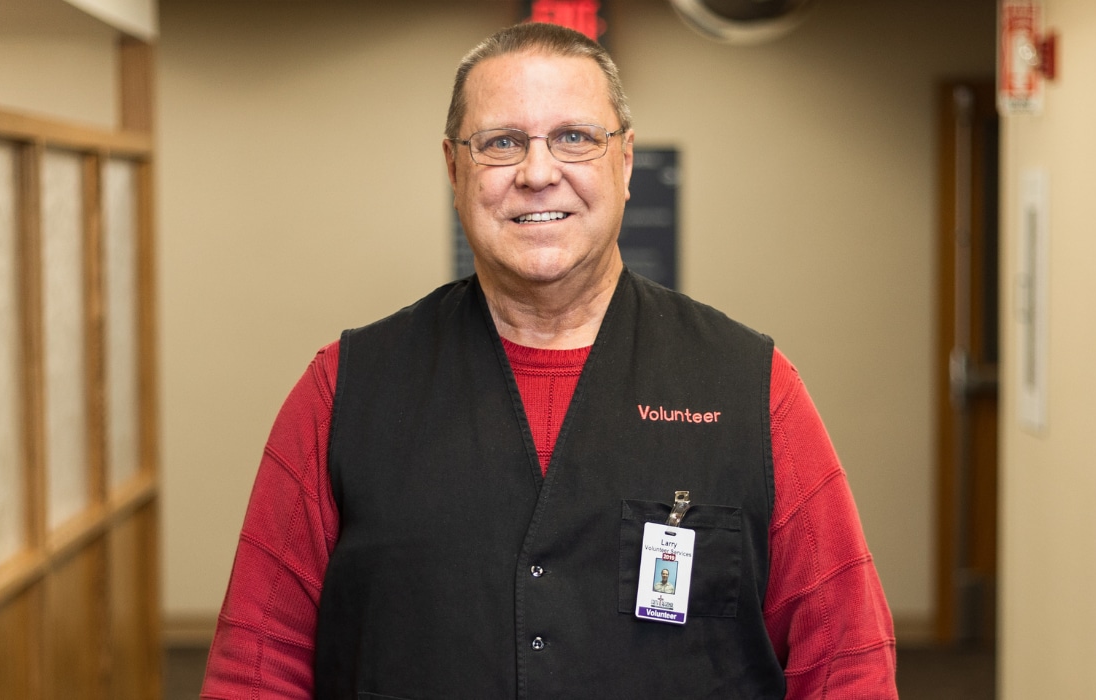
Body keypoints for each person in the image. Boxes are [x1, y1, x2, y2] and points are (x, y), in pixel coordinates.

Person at [201, 22, 898, 699]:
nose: (538, 173)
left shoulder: (754, 390)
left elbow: (846, 664)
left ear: (624, 164)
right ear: (454, 169)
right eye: (501, 142)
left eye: (574, 138)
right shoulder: (343, 391)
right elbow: (256, 670)